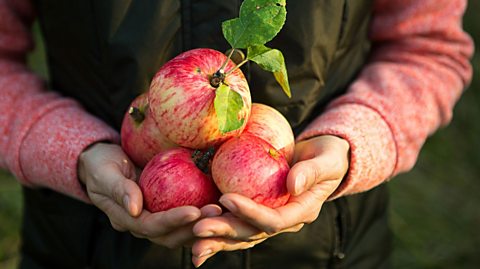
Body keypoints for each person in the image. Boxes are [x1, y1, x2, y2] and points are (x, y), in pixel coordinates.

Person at [0, 0, 473, 268]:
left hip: (326, 252)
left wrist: (353, 142)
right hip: (87, 246)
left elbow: (428, 47)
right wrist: (71, 150)